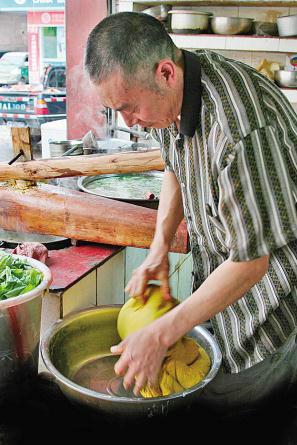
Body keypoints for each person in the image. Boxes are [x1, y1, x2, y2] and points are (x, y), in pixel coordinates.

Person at [84, 11, 297, 414]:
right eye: (116, 111)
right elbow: (175, 166)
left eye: (129, 107)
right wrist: (160, 246)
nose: (130, 122)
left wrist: (162, 333)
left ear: (165, 72)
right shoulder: (171, 91)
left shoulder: (241, 129)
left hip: (271, 311)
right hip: (222, 294)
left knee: (251, 416)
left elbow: (252, 263)